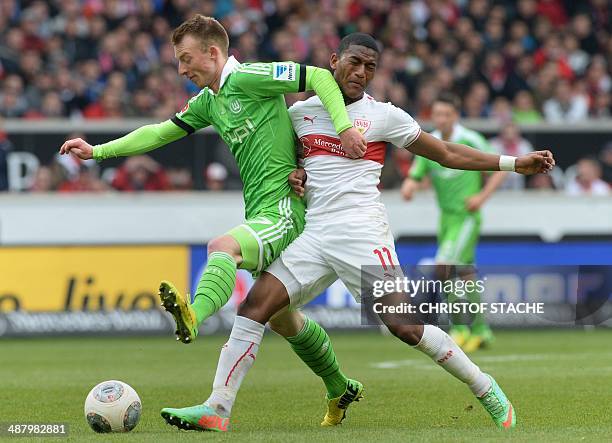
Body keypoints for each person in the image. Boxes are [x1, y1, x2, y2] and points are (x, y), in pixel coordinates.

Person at [163, 33, 554, 432]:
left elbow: (447, 153)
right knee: (255, 309)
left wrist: (512, 163)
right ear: (334, 60)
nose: (361, 72)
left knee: (406, 328)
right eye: (354, 62)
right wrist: (296, 176)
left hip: (364, 234)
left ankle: (485, 386)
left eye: (370, 67)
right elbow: (288, 161)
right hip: (313, 235)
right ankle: (218, 408)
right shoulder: (301, 113)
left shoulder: (384, 115)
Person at [59, 14, 368, 429]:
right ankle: (339, 384)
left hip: (283, 210)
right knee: (281, 317)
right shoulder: (209, 101)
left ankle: (195, 316)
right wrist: (97, 152)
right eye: (177, 62)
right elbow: (157, 133)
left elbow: (318, 76)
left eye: (187, 59)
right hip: (260, 212)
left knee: (222, 247)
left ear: (213, 52)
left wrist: (345, 127)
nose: (182, 70)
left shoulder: (252, 77)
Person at [401, 93, 508, 353]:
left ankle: (460, 329)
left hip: (466, 217)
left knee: (444, 266)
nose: (442, 119)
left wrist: (481, 197)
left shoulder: (470, 139)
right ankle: (481, 331)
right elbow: (415, 175)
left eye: (446, 114)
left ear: (456, 115)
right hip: (446, 219)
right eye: (437, 114)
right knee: (465, 273)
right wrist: (409, 186)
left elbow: (499, 169)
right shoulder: (429, 144)